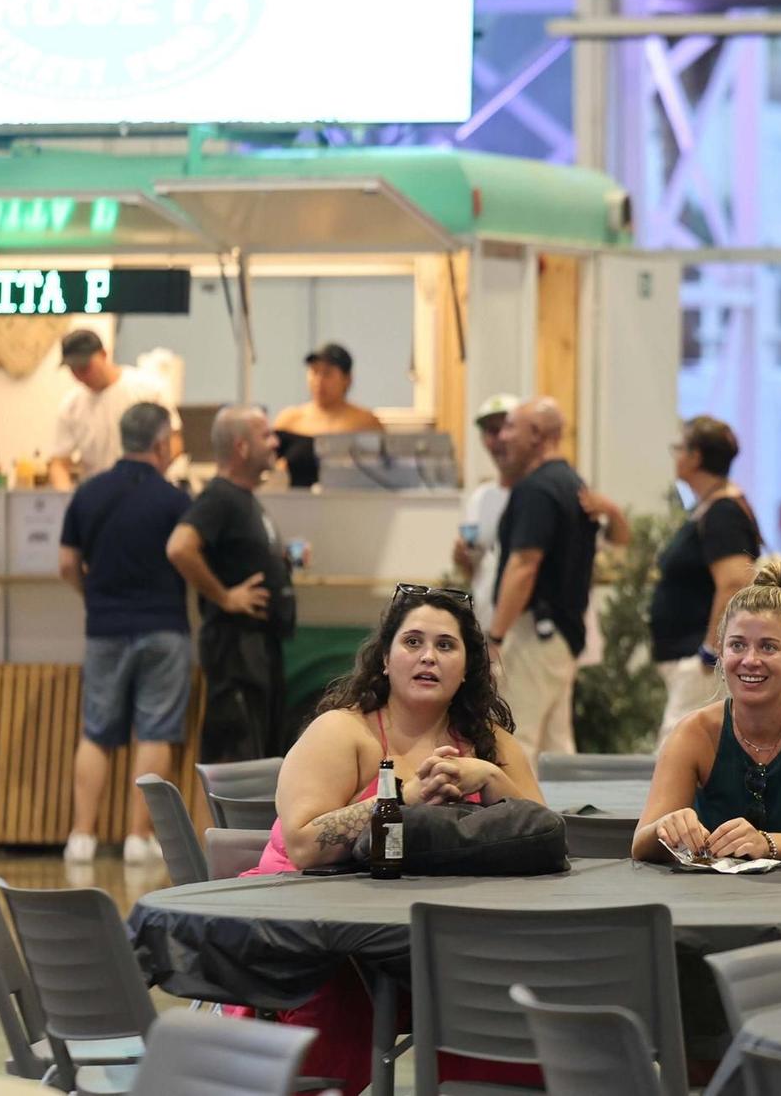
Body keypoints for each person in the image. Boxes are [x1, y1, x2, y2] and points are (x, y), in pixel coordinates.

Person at [249, 584, 543, 1095]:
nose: (428, 656)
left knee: (509, 982)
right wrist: (401, 796)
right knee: (346, 993)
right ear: (384, 659)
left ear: (468, 666)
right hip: (323, 940)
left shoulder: (491, 745)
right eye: (412, 642)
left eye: (446, 646)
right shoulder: (343, 733)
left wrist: (490, 779)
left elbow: (543, 836)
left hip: (442, 943)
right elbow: (302, 844)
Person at [635, 560, 781, 863]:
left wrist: (767, 843)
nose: (750, 660)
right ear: (721, 650)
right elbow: (640, 844)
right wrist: (665, 828)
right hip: (715, 904)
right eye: (737, 645)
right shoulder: (693, 733)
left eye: (768, 647)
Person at [58, 402, 192, 867]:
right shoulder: (176, 500)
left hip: (105, 627)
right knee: (155, 731)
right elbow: (190, 556)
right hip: (164, 627)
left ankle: (81, 837)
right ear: (160, 444)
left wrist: (92, 597)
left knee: (96, 732)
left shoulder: (89, 492)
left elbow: (66, 564)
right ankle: (139, 838)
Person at [167, 405, 295, 763]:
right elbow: (180, 548)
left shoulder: (244, 500)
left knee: (261, 752)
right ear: (241, 447)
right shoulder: (220, 497)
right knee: (240, 756)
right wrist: (225, 597)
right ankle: (233, 822)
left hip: (258, 648)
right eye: (265, 435)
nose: (274, 443)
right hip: (236, 648)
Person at [487, 397, 598, 756]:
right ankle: (565, 816)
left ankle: (518, 814)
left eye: (510, 428)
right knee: (555, 748)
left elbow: (524, 565)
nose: (501, 437)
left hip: (535, 631)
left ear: (536, 434)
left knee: (517, 740)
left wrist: (496, 636)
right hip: (561, 634)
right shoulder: (571, 482)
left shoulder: (536, 489)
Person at [649, 416, 761, 744]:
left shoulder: (723, 511)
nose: (676, 456)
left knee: (676, 746)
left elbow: (734, 583)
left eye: (679, 448)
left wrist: (709, 651)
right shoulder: (710, 506)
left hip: (700, 658)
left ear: (696, 457)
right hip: (689, 653)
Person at [47, 329, 178, 488]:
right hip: (100, 493)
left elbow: (175, 442)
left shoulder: (149, 389)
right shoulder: (71, 406)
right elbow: (59, 462)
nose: (80, 375)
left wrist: (148, 479)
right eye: (73, 369)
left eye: (85, 367)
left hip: (147, 488)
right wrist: (65, 496)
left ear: (103, 354)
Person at [273, 343, 381, 491]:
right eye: (314, 372)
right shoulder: (290, 419)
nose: (319, 381)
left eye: (327, 373)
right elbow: (271, 468)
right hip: (299, 502)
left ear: (346, 379)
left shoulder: (365, 422)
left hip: (349, 501)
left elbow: (380, 472)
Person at [453, 393, 520, 627]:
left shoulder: (542, 494)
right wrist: (461, 557)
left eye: (507, 428)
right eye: (492, 431)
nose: (500, 438)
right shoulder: (480, 498)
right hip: (486, 623)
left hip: (528, 631)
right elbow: (476, 569)